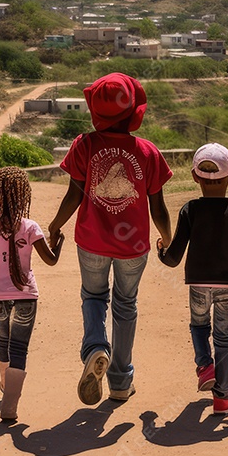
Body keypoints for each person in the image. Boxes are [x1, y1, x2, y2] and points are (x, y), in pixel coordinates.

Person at [49, 73, 173, 406]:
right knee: (125, 305)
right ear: (134, 108)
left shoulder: (84, 146)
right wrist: (167, 239)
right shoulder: (148, 152)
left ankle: (95, 348)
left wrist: (54, 226)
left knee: (93, 296)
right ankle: (120, 382)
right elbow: (157, 207)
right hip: (133, 248)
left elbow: (73, 197)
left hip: (91, 241)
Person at [157, 143, 228, 416]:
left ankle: (205, 365)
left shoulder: (189, 210)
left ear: (195, 177)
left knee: (198, 325)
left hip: (197, 282)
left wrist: (161, 252)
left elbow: (175, 255)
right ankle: (223, 396)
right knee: (224, 337)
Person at [0, 167, 64, 422]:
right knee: (19, 348)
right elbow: (51, 261)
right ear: (23, 197)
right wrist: (58, 242)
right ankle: (10, 403)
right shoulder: (30, 227)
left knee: (3, 338)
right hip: (25, 297)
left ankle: (3, 381)